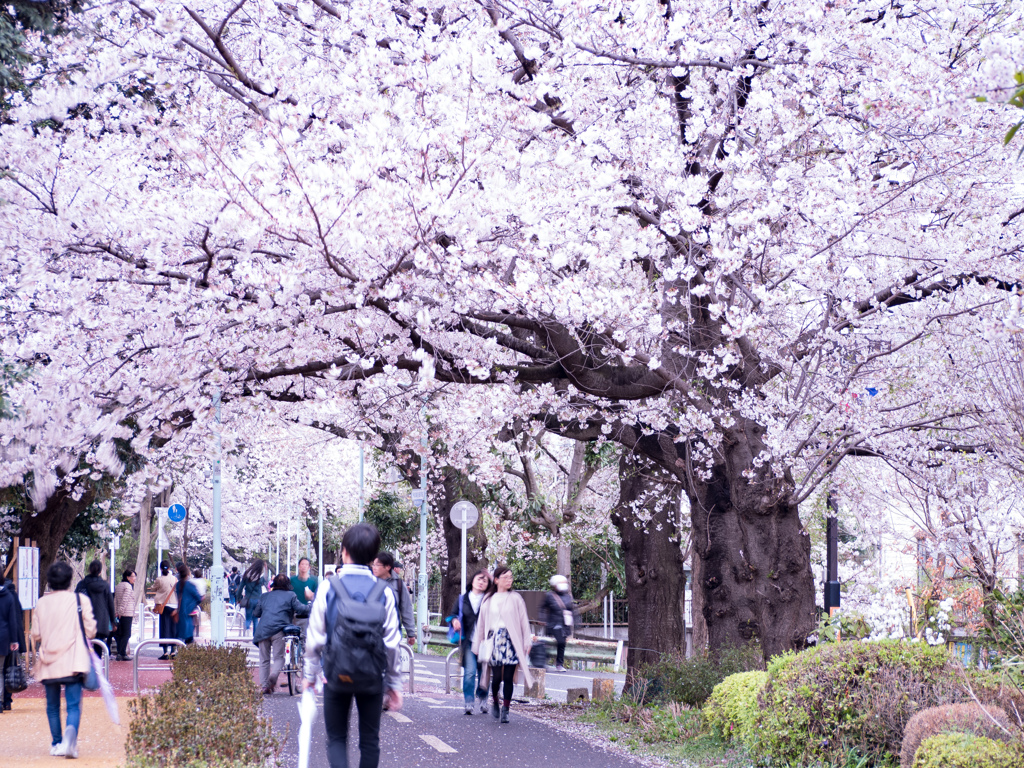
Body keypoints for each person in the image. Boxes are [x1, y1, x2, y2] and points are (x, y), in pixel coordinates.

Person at [304, 523, 402, 768]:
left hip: (337, 674)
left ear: (344, 551)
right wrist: (394, 683)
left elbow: (316, 636)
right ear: (373, 556)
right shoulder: (385, 592)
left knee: (337, 738)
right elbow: (392, 643)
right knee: (370, 740)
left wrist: (310, 674)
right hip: (371, 677)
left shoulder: (328, 587)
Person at [32, 561, 96, 757]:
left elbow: (36, 633)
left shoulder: (42, 602)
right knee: (73, 705)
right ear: (69, 580)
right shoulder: (80, 600)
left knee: (52, 705)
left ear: (50, 582)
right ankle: (70, 738)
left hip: (49, 661)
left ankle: (56, 743)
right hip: (73, 660)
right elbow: (91, 631)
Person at [472, 564, 534, 724]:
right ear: (497, 580)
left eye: (511, 577)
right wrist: (478, 645)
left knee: (508, 677)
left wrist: (527, 641)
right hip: (494, 641)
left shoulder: (516, 598)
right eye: (505, 577)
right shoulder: (488, 599)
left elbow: (523, 622)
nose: (509, 580)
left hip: (511, 640)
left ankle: (506, 708)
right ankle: (495, 701)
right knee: (497, 676)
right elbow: (481, 624)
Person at [254, 573, 310, 695]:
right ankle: (273, 675)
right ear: (288, 585)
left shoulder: (264, 596)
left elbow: (256, 613)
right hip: (279, 630)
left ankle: (264, 686)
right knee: (279, 657)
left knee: (264, 659)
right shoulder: (291, 595)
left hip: (263, 630)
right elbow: (300, 609)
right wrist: (311, 607)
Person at [450, 569, 491, 714]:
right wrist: (455, 621)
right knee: (470, 673)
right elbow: (452, 615)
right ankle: (469, 701)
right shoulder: (463, 599)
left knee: (484, 673)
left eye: (485, 581)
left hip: (485, 643)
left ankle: (483, 697)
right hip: (469, 642)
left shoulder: (489, 599)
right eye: (479, 579)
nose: (481, 582)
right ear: (472, 580)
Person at [371, 552, 416, 645]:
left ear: (387, 567)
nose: (373, 567)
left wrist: (411, 633)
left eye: (377, 565)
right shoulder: (370, 582)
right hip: (371, 631)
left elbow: (406, 609)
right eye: (373, 564)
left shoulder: (399, 584)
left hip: (392, 633)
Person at [75, 559, 116, 653]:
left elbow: (75, 600)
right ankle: (97, 665)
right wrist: (113, 621)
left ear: (89, 569)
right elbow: (110, 604)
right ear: (100, 571)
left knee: (84, 646)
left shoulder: (82, 584)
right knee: (99, 646)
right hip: (101, 620)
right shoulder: (105, 585)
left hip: (85, 619)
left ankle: (85, 666)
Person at [540, 574, 577, 672]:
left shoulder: (567, 596)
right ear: (555, 585)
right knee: (557, 642)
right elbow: (542, 608)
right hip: (553, 624)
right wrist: (543, 620)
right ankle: (544, 661)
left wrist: (575, 622)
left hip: (564, 624)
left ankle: (559, 664)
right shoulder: (550, 595)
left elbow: (572, 610)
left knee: (561, 644)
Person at [1, 578, 25, 712]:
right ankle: (7, 700)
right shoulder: (12, 594)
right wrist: (15, 639)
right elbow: (17, 615)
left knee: (1, 670)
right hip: (11, 637)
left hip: (4, 637)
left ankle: (2, 700)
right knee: (8, 669)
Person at [172, 562, 203, 646]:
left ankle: (178, 652)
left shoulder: (178, 585)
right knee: (189, 638)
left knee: (180, 636)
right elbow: (198, 598)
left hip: (180, 613)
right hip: (188, 614)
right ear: (187, 573)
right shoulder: (190, 585)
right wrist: (192, 606)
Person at [153, 561, 179, 660]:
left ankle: (165, 652)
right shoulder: (174, 579)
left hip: (163, 606)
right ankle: (173, 651)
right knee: (173, 629)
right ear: (169, 568)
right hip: (174, 605)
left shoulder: (159, 579)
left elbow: (154, 588)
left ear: (160, 569)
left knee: (164, 628)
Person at [290, 557, 318, 641]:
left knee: (306, 638)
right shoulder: (292, 580)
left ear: (309, 567)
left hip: (308, 612)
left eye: (306, 564)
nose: (304, 566)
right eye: (302, 564)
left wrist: (311, 596)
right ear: (298, 566)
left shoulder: (314, 580)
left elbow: (317, 595)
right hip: (294, 613)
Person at [237, 560, 268, 634]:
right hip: (258, 600)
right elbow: (266, 582)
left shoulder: (246, 575)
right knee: (255, 620)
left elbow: (240, 588)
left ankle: (247, 632)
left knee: (248, 618)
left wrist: (238, 598)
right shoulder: (260, 577)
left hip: (248, 600)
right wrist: (266, 569)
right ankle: (255, 637)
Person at [113, 569, 136, 661]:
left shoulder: (119, 585)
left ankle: (120, 652)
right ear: (128, 577)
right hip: (126, 613)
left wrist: (116, 612)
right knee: (126, 634)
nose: (134, 578)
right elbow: (125, 600)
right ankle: (122, 653)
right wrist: (121, 612)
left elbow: (115, 600)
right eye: (133, 576)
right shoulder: (128, 586)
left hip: (119, 613)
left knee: (120, 633)